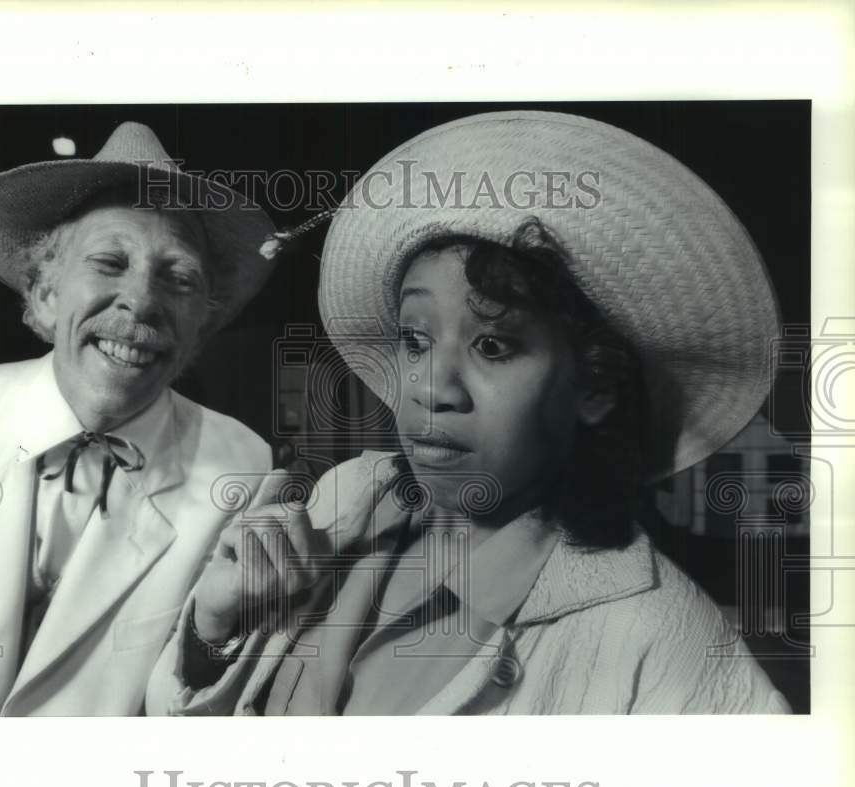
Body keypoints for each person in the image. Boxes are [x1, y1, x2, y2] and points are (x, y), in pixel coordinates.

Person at [146, 110, 790, 715]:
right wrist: (215, 629)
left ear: (594, 387)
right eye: (415, 340)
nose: (432, 389)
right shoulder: (346, 498)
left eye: (493, 345)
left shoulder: (657, 638)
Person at [0, 121, 276, 716]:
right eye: (109, 262)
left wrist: (211, 634)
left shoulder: (241, 466)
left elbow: (185, 707)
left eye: (179, 278)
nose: (143, 302)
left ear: (202, 323)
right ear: (45, 294)